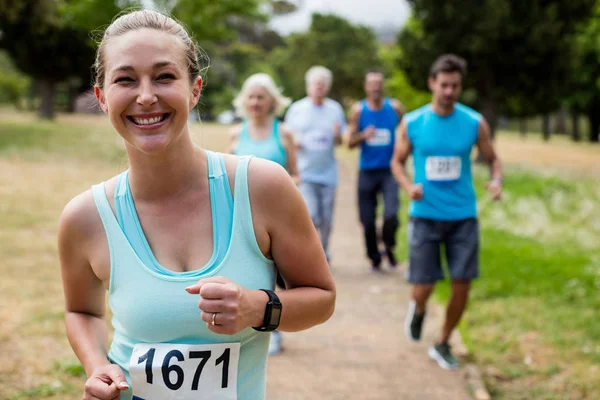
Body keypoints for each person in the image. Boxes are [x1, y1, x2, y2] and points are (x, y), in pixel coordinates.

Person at [58, 10, 335, 400]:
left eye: (165, 76)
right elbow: (82, 312)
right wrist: (97, 365)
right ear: (102, 97)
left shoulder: (262, 187)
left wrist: (258, 308)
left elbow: (322, 298)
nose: (146, 96)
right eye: (125, 79)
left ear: (195, 89)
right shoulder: (84, 217)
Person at [390, 54, 503, 370]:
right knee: (424, 284)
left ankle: (442, 342)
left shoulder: (473, 122)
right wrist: (407, 186)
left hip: (463, 216)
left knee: (462, 284)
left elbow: (493, 158)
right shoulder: (413, 122)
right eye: (444, 85)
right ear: (432, 84)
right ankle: (419, 307)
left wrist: (496, 180)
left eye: (455, 86)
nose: (450, 92)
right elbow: (397, 162)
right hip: (425, 214)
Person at [228, 72, 298, 356]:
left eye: (261, 96)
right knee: (248, 275)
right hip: (243, 218)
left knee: (277, 278)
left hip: (279, 219)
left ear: (272, 100)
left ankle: (276, 328)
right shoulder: (235, 134)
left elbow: (296, 174)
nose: (255, 102)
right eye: (251, 96)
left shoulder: (284, 133)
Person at [284, 66, 346, 263]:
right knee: (312, 216)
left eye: (323, 84)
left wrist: (337, 135)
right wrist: (295, 142)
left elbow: (340, 141)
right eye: (315, 83)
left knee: (326, 219)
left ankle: (324, 252)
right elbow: (286, 138)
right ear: (308, 86)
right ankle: (314, 255)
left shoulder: (335, 109)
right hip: (305, 173)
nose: (319, 87)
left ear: (327, 87)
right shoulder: (297, 109)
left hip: (328, 173)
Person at [347, 69, 405, 271]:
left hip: (389, 171)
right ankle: (374, 257)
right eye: (372, 84)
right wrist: (363, 135)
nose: (375, 88)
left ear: (383, 86)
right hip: (367, 171)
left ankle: (389, 247)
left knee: (391, 215)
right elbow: (350, 143)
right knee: (367, 219)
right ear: (366, 87)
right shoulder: (358, 110)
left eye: (379, 84)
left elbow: (407, 133)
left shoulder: (395, 108)